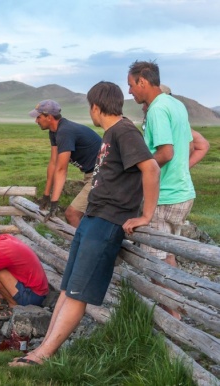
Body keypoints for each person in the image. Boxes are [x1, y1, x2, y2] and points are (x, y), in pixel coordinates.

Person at [10, 81, 160, 367]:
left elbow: (150, 168)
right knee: (68, 287)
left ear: (95, 106)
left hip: (107, 220)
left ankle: (42, 356)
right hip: (94, 215)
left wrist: (146, 215)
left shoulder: (125, 131)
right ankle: (43, 348)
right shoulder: (111, 132)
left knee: (78, 292)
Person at [128, 61, 196, 318]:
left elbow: (166, 152)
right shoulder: (176, 104)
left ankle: (172, 316)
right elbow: (187, 147)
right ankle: (176, 307)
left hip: (164, 196)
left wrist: (139, 167)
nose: (131, 92)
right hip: (183, 192)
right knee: (168, 254)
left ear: (143, 81)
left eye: (132, 85)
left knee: (154, 261)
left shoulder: (156, 110)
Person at [29, 100, 102, 228]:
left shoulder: (64, 131)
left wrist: (54, 204)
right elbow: (53, 164)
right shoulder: (54, 132)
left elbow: (62, 170)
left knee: (71, 214)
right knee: (89, 215)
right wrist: (46, 195)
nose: (36, 121)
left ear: (49, 117)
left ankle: (82, 246)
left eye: (38, 117)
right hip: (92, 174)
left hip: (102, 174)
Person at [158, 85, 209, 168]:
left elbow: (202, 145)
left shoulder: (164, 117)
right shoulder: (176, 119)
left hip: (164, 178)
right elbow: (202, 145)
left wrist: (181, 170)